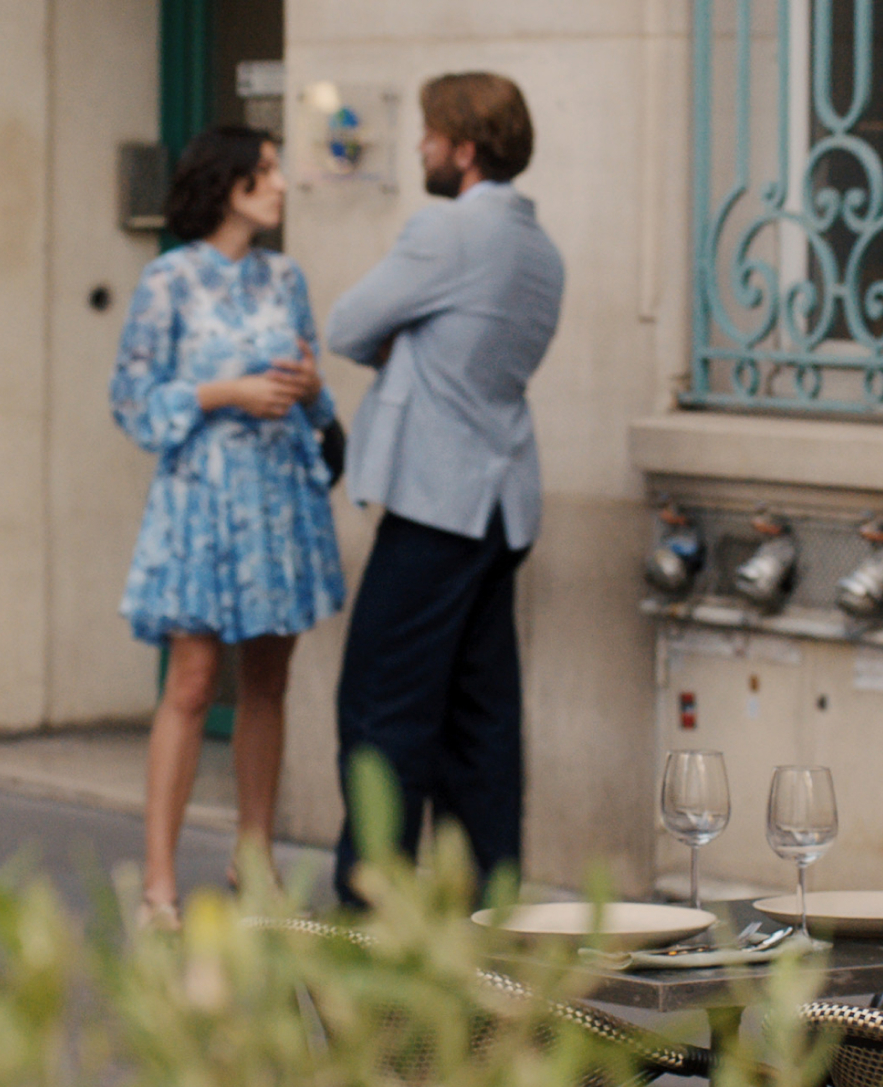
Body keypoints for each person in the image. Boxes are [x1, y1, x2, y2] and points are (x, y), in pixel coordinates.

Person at [325, 72, 564, 908]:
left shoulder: (446, 231)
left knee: (379, 715)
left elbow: (348, 325)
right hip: (501, 506)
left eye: (429, 133)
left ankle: (371, 919)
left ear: (463, 148)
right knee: (481, 725)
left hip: (435, 500)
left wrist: (405, 344)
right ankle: (486, 922)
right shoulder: (539, 249)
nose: (420, 147)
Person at [111, 126, 346, 927]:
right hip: (201, 504)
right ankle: (158, 882)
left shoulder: (287, 277)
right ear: (230, 182)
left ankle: (257, 862)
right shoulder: (167, 280)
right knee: (191, 682)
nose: (281, 185)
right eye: (268, 171)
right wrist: (225, 393)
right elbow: (132, 402)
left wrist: (311, 388)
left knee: (269, 682)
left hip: (277, 500)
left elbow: (319, 405)